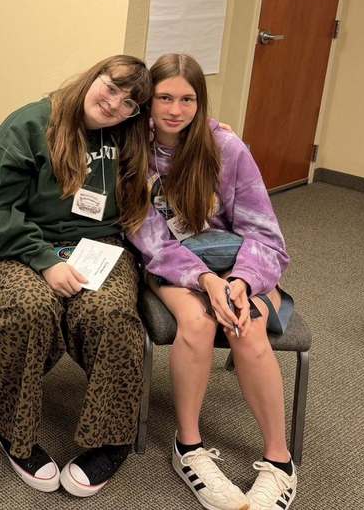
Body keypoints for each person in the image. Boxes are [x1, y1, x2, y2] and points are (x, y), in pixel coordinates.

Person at [0, 55, 152, 497]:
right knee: (29, 309)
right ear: (93, 77)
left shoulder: (126, 136)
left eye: (128, 103)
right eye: (110, 88)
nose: (113, 105)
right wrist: (45, 260)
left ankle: (110, 440)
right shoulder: (32, 125)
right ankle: (14, 431)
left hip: (99, 248)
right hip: (14, 244)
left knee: (112, 317)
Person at [128, 53, 296, 510]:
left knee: (248, 323)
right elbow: (149, 238)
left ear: (200, 103)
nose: (175, 110)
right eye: (165, 97)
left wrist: (240, 281)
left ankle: (279, 461)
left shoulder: (227, 148)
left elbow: (264, 232)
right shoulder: (132, 148)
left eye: (187, 99)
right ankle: (189, 447)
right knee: (198, 323)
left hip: (235, 258)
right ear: (148, 100)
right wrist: (204, 280)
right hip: (173, 262)